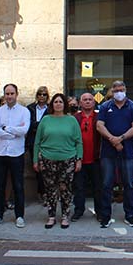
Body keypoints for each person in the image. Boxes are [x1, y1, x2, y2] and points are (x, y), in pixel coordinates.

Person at [96, 80, 133, 228]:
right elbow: (99, 125)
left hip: (127, 150)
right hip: (108, 152)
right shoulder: (105, 106)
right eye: (116, 90)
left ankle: (130, 215)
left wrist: (121, 139)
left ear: (125, 90)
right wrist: (112, 140)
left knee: (128, 184)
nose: (119, 92)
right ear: (112, 91)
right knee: (106, 184)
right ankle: (105, 216)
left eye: (121, 89)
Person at [33, 93, 83, 229]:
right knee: (50, 190)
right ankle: (51, 216)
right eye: (55, 102)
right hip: (47, 159)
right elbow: (37, 142)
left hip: (68, 160)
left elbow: (78, 142)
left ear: (64, 104)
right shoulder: (46, 120)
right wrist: (35, 160)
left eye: (61, 102)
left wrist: (79, 159)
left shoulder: (71, 120)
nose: (58, 104)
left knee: (65, 189)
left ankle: (65, 216)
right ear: (52, 104)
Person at [0, 83, 30, 228]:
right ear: (4, 95)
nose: (9, 96)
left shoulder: (24, 112)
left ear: (16, 94)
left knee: (18, 186)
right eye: (7, 94)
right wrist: (13, 132)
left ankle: (19, 216)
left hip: (16, 153)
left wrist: (6, 128)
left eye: (12, 93)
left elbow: (24, 130)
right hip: (0, 153)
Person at [73, 93, 101, 221]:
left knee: (98, 187)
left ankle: (100, 212)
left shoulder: (100, 117)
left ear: (94, 103)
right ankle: (78, 210)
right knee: (79, 187)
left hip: (96, 158)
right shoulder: (75, 118)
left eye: (90, 99)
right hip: (79, 159)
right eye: (85, 100)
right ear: (80, 103)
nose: (88, 102)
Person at [26, 86, 50, 200]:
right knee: (37, 167)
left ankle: (46, 192)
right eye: (40, 94)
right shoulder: (30, 108)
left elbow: (49, 124)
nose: (42, 96)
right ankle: (41, 192)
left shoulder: (50, 108)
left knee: (47, 167)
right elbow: (28, 124)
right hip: (33, 141)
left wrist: (37, 125)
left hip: (47, 141)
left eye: (44, 94)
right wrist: (39, 125)